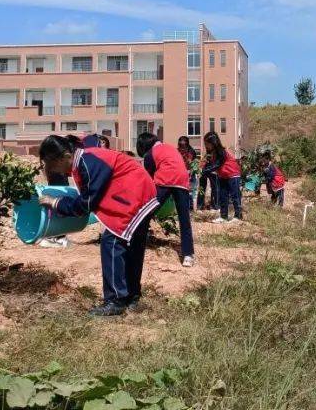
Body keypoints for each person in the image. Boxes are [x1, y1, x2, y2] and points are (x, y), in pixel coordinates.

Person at [38, 135, 158, 317]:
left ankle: (115, 301)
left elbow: (86, 204)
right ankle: (131, 296)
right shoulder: (85, 160)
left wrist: (56, 203)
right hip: (141, 193)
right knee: (131, 246)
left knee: (112, 242)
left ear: (65, 156)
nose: (53, 170)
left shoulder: (86, 162)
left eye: (52, 164)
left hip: (135, 195)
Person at [39, 132, 109, 249]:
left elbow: (87, 203)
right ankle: (54, 236)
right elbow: (86, 203)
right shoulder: (89, 151)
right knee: (58, 198)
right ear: (101, 142)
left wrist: (57, 203)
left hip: (61, 165)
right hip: (60, 166)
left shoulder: (85, 157)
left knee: (60, 200)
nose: (105, 150)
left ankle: (57, 236)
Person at [137, 132, 196, 267]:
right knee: (184, 219)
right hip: (182, 182)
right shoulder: (169, 148)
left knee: (147, 211)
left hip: (164, 181)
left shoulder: (151, 153)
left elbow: (148, 177)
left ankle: (138, 240)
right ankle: (188, 255)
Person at [202, 131, 242, 223]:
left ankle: (238, 216)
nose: (206, 146)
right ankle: (223, 216)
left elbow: (217, 165)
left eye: (207, 144)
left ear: (213, 143)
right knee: (223, 196)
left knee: (235, 195)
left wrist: (205, 170)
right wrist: (203, 168)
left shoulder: (221, 152)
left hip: (233, 174)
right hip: (223, 175)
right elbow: (208, 164)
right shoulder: (211, 153)